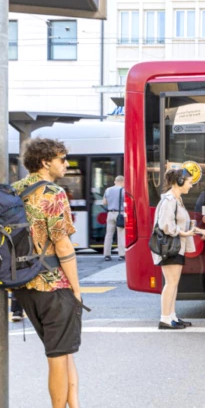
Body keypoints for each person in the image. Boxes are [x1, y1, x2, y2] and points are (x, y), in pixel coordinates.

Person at [11, 138, 85, 408]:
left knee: (65, 351)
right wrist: (76, 289)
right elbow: (63, 244)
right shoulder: (53, 192)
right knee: (57, 354)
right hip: (54, 285)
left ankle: (74, 405)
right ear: (45, 162)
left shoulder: (14, 189)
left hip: (23, 282)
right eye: (62, 159)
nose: (66, 164)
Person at [152, 169, 205, 330]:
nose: (191, 185)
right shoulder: (170, 200)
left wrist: (198, 230)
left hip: (176, 246)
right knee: (170, 283)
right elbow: (165, 225)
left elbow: (182, 223)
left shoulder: (177, 200)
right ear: (179, 182)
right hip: (170, 246)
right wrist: (184, 233)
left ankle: (172, 316)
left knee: (174, 283)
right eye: (189, 182)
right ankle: (165, 319)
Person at [102, 175, 126, 262]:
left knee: (108, 235)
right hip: (120, 214)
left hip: (110, 213)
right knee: (121, 235)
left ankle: (107, 255)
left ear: (115, 181)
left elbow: (104, 202)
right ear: (123, 182)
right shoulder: (123, 191)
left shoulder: (108, 190)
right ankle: (121, 255)